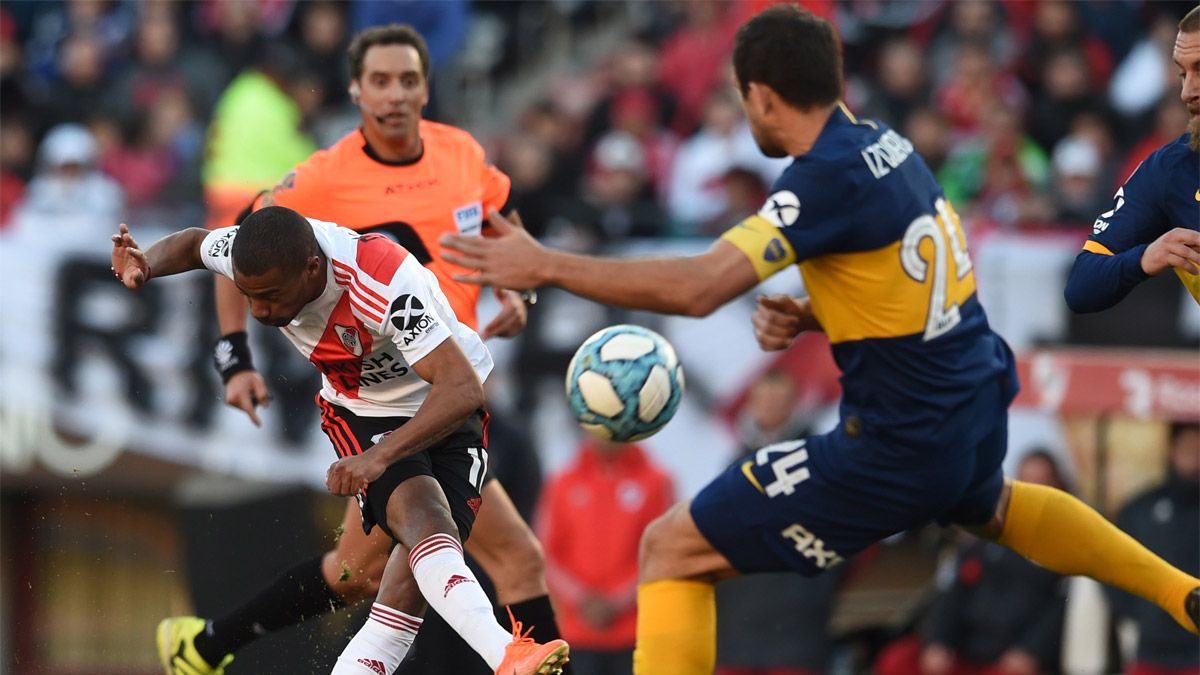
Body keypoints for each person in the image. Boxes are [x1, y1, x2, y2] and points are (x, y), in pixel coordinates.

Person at [440, 6, 1200, 674]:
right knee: (992, 506)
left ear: (761, 96)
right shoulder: (890, 147)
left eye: (746, 104)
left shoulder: (822, 179)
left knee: (670, 549)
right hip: (973, 401)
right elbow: (920, 294)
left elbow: (701, 287)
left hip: (898, 442)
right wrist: (814, 315)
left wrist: (544, 262)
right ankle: (1180, 589)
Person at [156, 24, 566, 675]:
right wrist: (235, 355)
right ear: (355, 89)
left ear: (427, 86)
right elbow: (239, 247)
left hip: (446, 381)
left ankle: (205, 643)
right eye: (380, 80)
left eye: (408, 79)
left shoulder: (461, 153)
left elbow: (500, 226)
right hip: (384, 400)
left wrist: (518, 287)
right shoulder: (321, 179)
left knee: (357, 574)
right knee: (509, 557)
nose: (396, 94)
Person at [111, 208, 569, 675]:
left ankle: (207, 645)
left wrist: (377, 459)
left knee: (394, 579)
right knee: (430, 528)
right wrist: (145, 262)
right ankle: (506, 654)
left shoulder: (381, 282)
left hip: (445, 406)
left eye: (270, 296)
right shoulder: (262, 251)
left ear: (312, 268)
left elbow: (462, 389)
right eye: (250, 297)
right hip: (363, 411)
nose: (261, 312)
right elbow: (193, 243)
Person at [874, 450, 1071, 675]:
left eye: (1041, 481)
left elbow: (1060, 608)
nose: (1033, 488)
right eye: (1026, 480)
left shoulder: (1063, 545)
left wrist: (1031, 651)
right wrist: (938, 642)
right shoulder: (985, 538)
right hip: (967, 648)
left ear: (1057, 487)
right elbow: (951, 594)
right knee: (897, 659)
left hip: (1016, 656)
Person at [1064, 6, 1200, 311]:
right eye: (1182, 73)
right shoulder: (1169, 171)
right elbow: (1081, 286)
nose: (1187, 91)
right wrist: (1143, 258)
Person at [537, 438, 674, 675]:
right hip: (576, 633)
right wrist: (581, 599)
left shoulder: (656, 480)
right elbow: (546, 554)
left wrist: (618, 601)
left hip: (636, 631)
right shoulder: (563, 481)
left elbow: (663, 553)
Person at [1108, 423, 1200, 675]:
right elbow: (1113, 567)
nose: (1195, 454)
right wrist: (1141, 613)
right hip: (1150, 649)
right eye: (1188, 446)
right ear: (1171, 449)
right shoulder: (1140, 509)